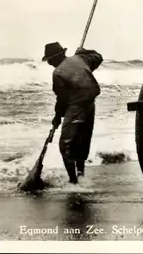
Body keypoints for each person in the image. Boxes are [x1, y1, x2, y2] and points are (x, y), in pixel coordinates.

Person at [42, 42, 103, 184]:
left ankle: (73, 181)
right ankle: (81, 175)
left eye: (50, 59)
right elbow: (98, 57)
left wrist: (57, 117)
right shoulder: (81, 59)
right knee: (82, 141)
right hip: (90, 106)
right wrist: (84, 52)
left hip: (76, 108)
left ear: (57, 57)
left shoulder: (58, 73)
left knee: (66, 145)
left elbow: (62, 99)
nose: (49, 63)